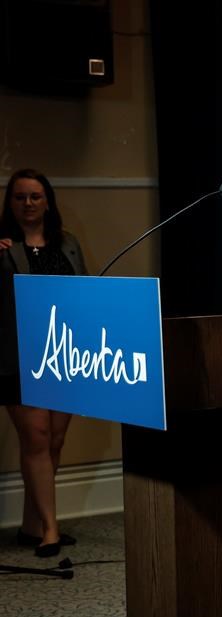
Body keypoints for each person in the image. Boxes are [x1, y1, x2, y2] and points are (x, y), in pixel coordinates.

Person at [0, 169, 88, 558]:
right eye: (20, 197)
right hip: (17, 355)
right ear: (10, 203)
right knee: (35, 437)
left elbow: (84, 290)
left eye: (35, 196)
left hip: (64, 355)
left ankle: (31, 525)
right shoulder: (2, 247)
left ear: (47, 201)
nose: (28, 203)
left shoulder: (67, 244)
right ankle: (51, 530)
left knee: (53, 439)